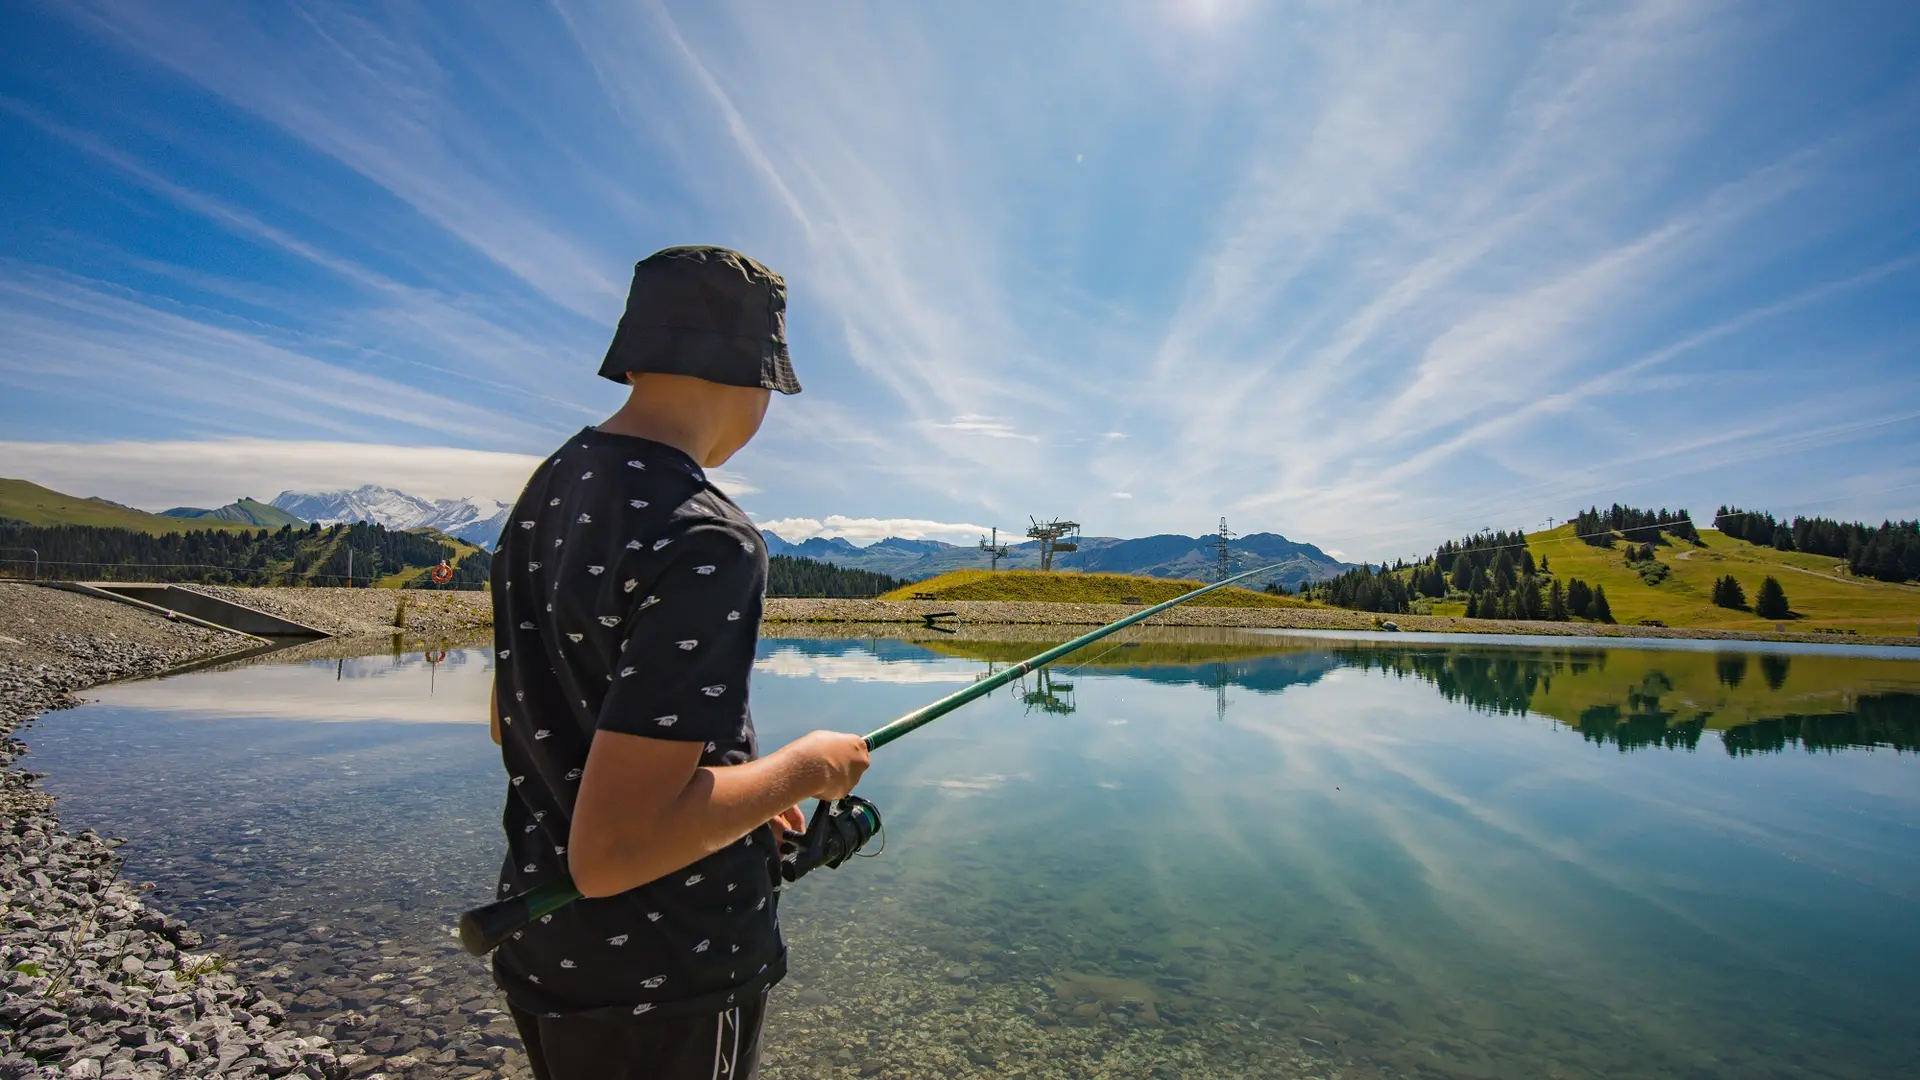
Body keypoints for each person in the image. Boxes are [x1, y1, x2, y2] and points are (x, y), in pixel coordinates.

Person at [487, 246, 871, 1079]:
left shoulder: (549, 489)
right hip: (669, 974)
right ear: (750, 375)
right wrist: (806, 767)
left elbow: (514, 715)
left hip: (549, 951)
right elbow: (616, 850)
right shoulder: (708, 537)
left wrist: (732, 797)